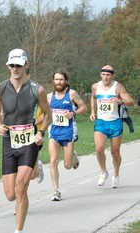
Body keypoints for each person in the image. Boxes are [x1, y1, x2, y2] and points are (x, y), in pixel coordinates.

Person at [0, 48, 51, 233]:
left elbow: (47, 113)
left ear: (26, 64)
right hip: (9, 141)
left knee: (20, 188)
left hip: (30, 140)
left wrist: (41, 132)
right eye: (12, 65)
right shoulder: (0, 88)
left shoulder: (37, 89)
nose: (15, 68)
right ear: (8, 66)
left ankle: (19, 230)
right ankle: (36, 167)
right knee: (10, 195)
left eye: (18, 65)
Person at [90, 65, 134, 188]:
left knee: (115, 152)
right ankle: (104, 172)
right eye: (103, 74)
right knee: (99, 148)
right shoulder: (95, 86)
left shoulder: (118, 87)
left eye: (108, 75)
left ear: (112, 75)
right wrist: (93, 112)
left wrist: (120, 101)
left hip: (115, 122)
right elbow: (93, 98)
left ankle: (116, 174)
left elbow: (131, 101)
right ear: (100, 75)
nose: (105, 77)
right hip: (101, 122)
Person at [47, 71, 87, 201]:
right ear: (53, 81)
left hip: (69, 131)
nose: (58, 82)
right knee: (53, 161)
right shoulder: (48, 97)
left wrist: (73, 113)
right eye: (56, 79)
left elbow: (84, 107)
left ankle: (73, 156)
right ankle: (56, 191)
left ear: (66, 81)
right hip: (54, 131)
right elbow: (44, 113)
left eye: (61, 79)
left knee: (68, 166)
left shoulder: (71, 94)